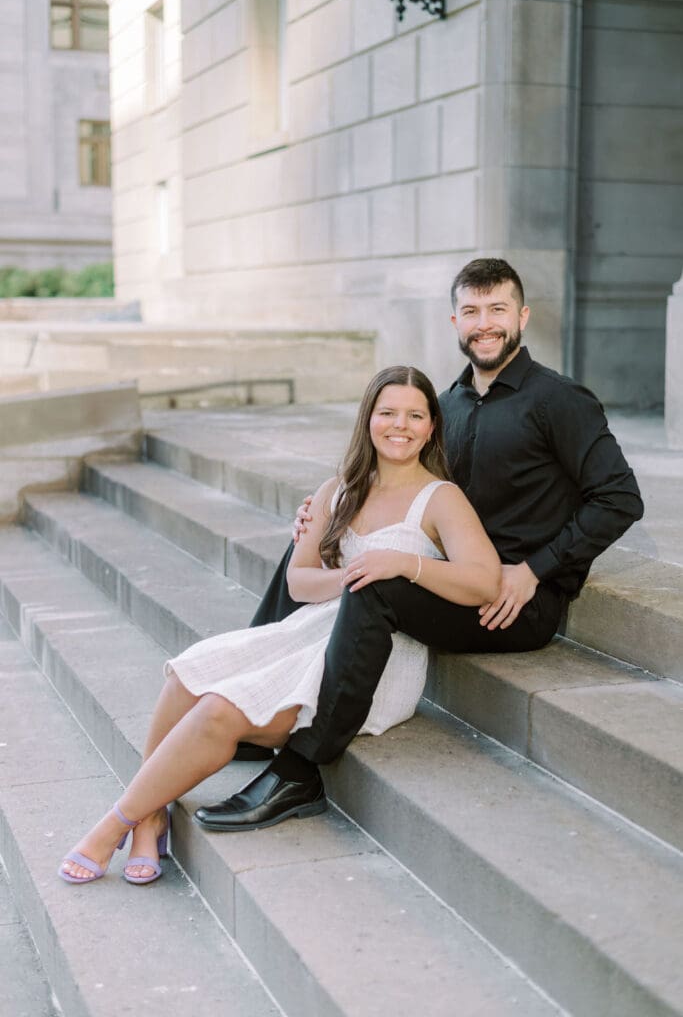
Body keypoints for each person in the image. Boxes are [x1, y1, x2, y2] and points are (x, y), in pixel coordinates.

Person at [196, 257, 644, 833]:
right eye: (472, 311)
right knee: (313, 552)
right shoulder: (447, 406)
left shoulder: (559, 400)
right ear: (454, 320)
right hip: (446, 571)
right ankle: (255, 701)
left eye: (498, 309)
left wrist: (537, 568)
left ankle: (301, 768)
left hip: (509, 602)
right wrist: (327, 515)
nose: (485, 323)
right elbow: (394, 481)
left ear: (522, 316)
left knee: (377, 581)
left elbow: (620, 498)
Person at [59, 366, 501, 883]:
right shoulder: (338, 489)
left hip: (373, 661)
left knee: (220, 710)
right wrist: (357, 576)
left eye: (414, 415)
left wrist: (403, 565)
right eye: (387, 413)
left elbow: (484, 582)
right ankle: (151, 815)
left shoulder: (439, 498)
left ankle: (113, 824)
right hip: (312, 629)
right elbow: (299, 581)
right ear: (368, 420)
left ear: (431, 428)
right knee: (186, 674)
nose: (399, 425)